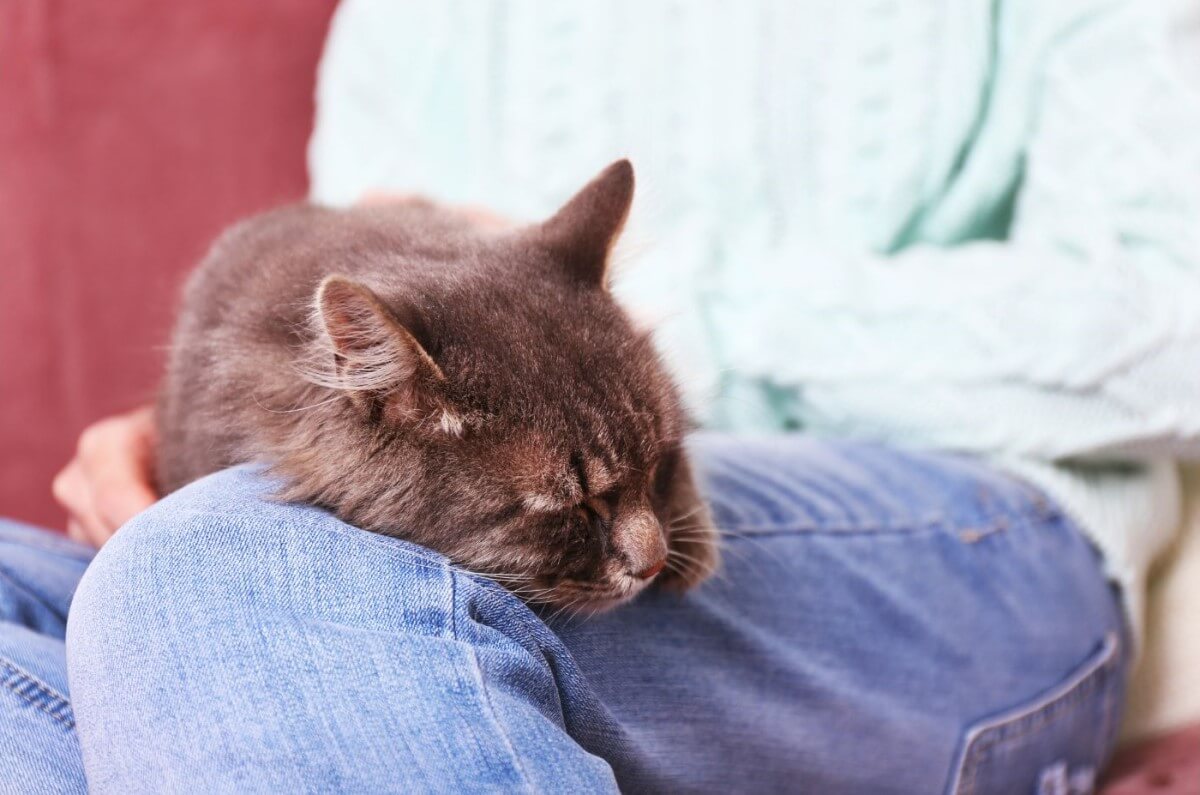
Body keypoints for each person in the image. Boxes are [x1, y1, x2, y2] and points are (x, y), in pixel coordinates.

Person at [4, 0, 1199, 791]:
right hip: (480, 502)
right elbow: (367, 292)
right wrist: (246, 445)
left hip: (967, 530)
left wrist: (663, 322)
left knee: (245, 577)